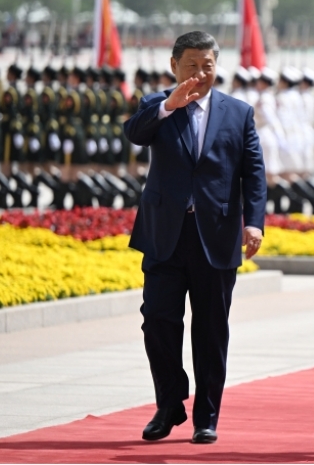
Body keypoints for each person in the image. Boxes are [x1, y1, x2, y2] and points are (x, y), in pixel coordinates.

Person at [124, 31, 266, 445]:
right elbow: (134, 133)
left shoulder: (238, 112)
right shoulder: (156, 105)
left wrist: (254, 222)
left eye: (208, 66)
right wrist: (170, 105)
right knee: (157, 320)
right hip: (165, 234)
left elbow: (253, 173)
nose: (200, 74)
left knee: (210, 330)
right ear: (174, 66)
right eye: (192, 66)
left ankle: (207, 416)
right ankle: (169, 404)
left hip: (216, 236)